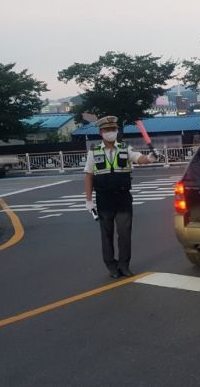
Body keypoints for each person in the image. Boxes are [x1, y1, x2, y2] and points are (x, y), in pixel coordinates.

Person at [84, 116, 156, 279]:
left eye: (113, 129)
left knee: (124, 234)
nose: (111, 133)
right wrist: (88, 200)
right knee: (106, 234)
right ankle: (111, 266)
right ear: (101, 132)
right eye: (108, 130)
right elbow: (88, 175)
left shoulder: (125, 148)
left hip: (123, 198)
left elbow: (139, 158)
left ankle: (124, 265)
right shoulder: (94, 152)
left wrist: (150, 158)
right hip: (104, 199)